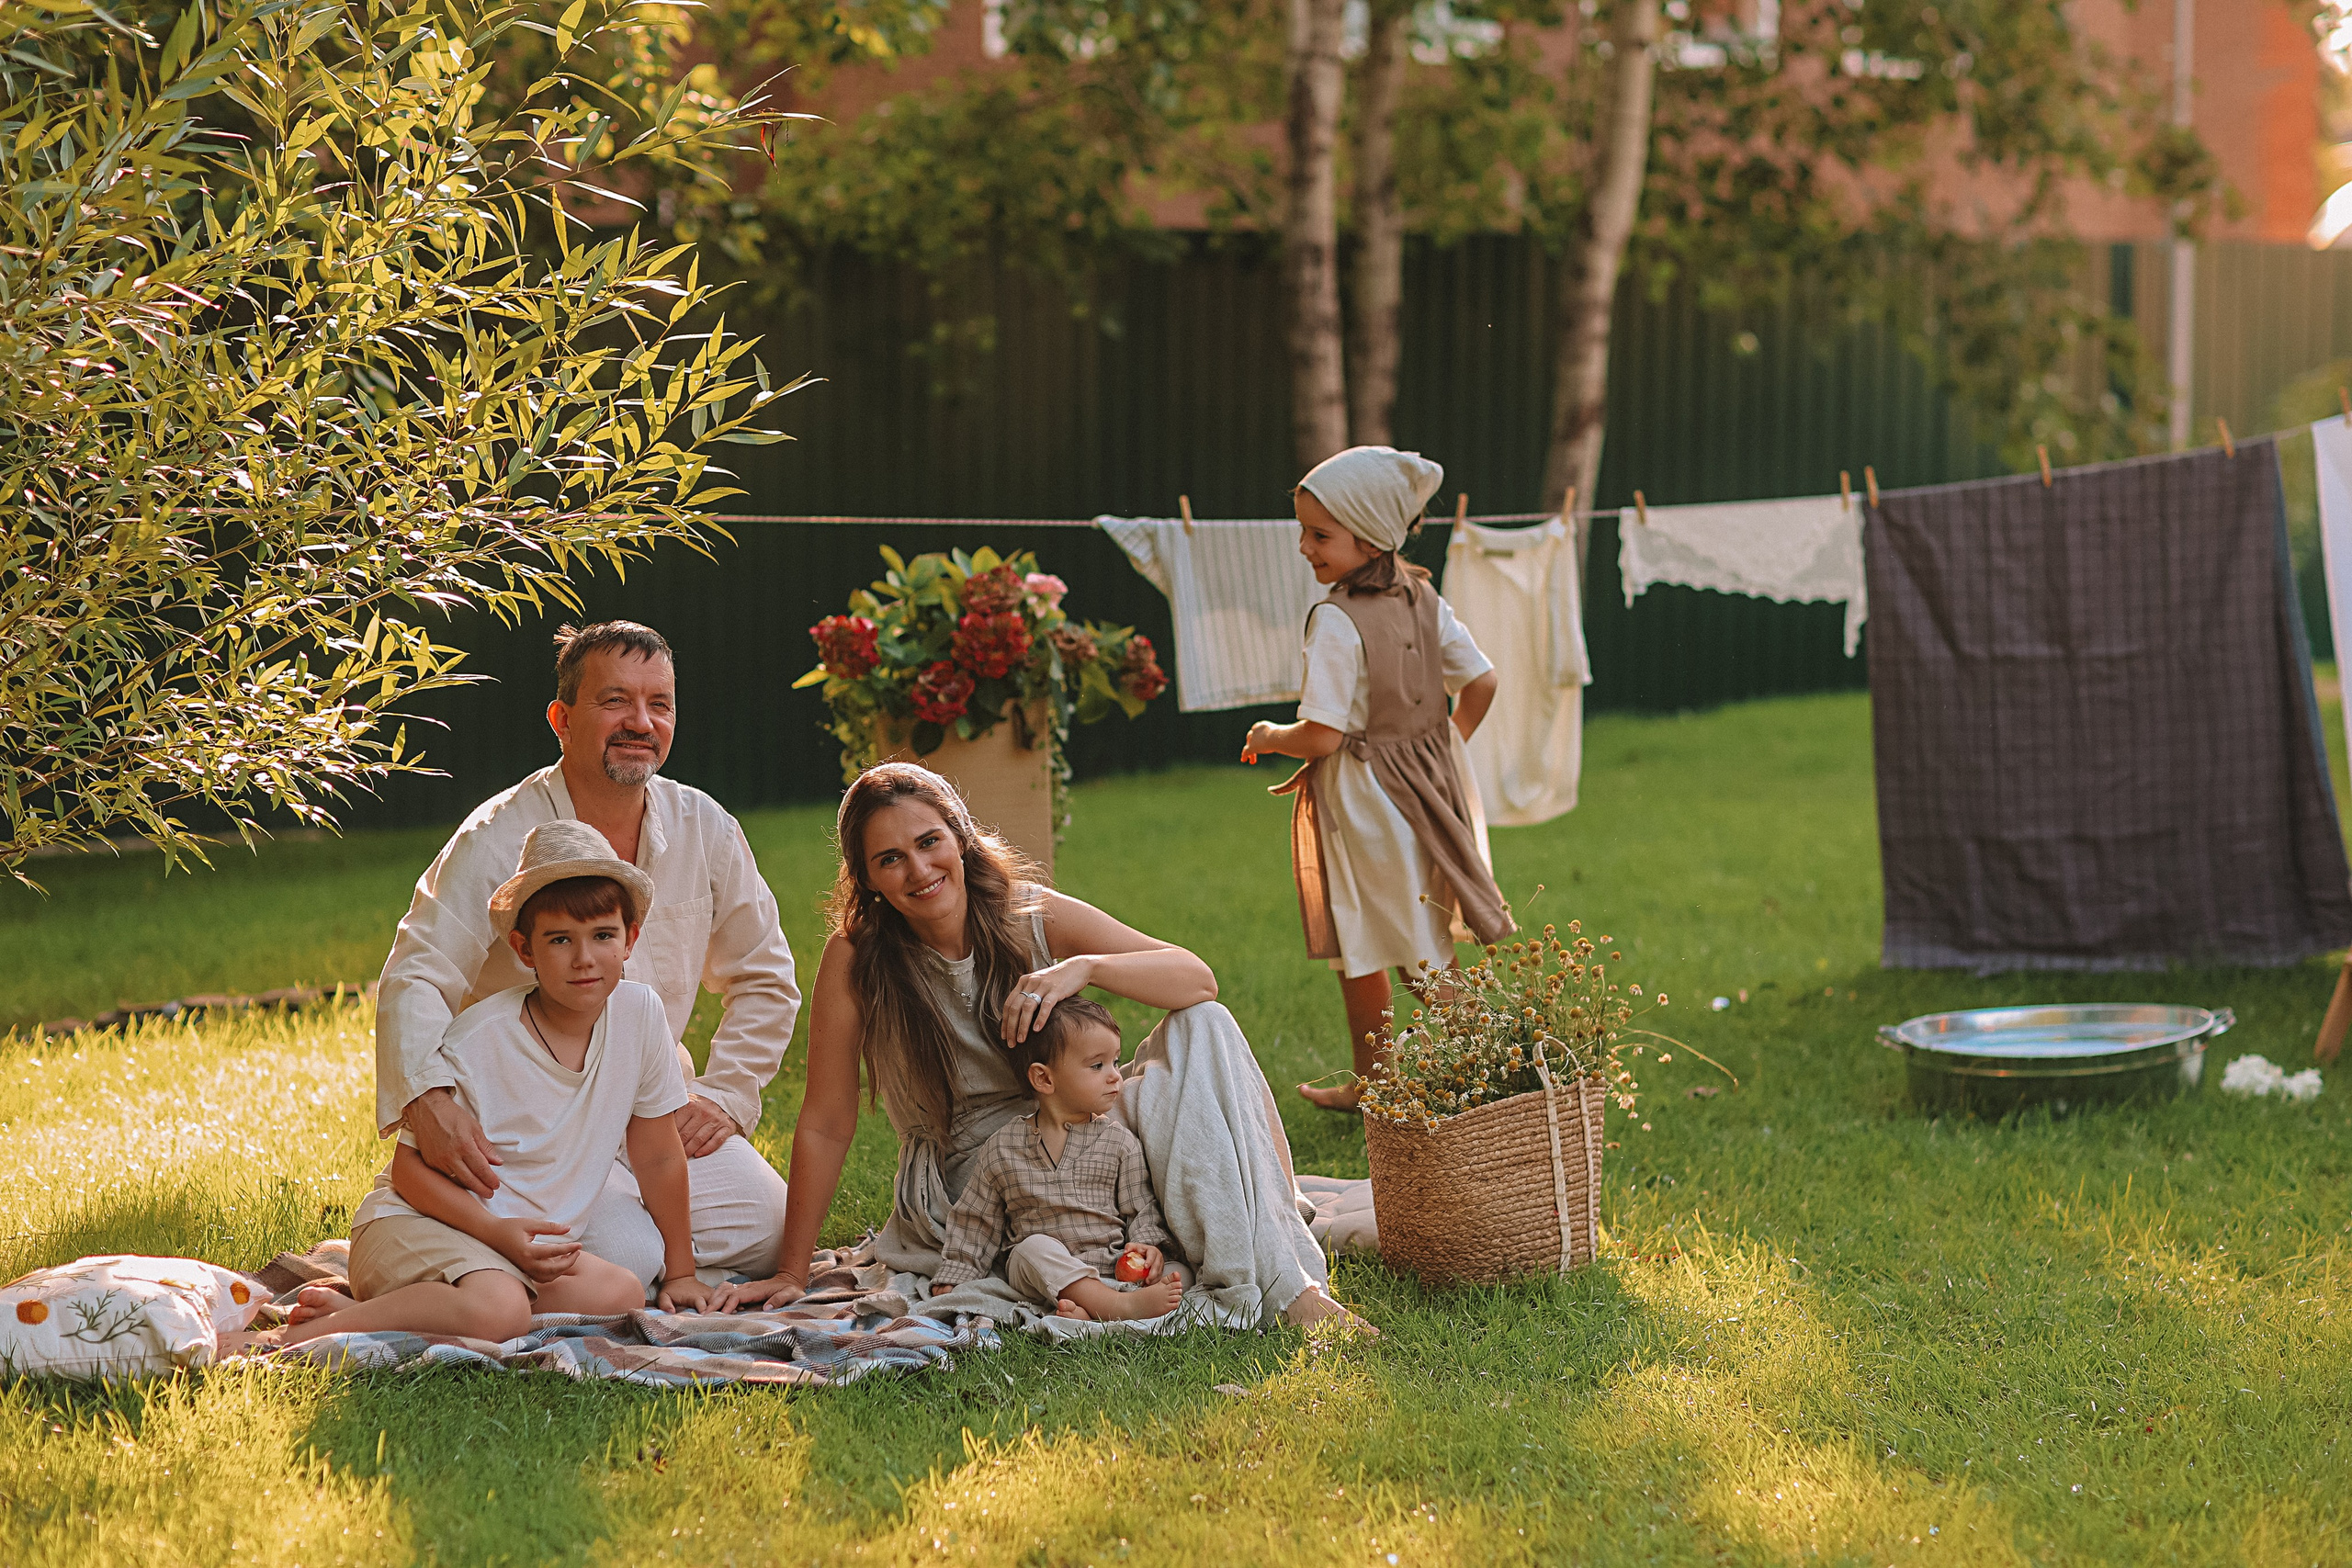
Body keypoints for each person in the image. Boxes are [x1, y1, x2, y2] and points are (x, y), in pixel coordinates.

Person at [707, 762, 1365, 1332]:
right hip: (983, 1170)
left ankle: (1284, 1283)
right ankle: (1262, 1274)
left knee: (1206, 1024)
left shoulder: (1027, 914)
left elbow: (1198, 978)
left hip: (1085, 1121)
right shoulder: (856, 958)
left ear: (960, 840)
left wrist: (1086, 968)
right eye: (890, 859)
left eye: (929, 841)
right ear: (869, 879)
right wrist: (793, 1270)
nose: (918, 869)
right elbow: (825, 1121)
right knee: (1191, 1126)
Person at [375, 621, 797, 1295]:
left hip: (656, 1120)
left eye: (659, 703)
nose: (641, 721)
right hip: (533, 1133)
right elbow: (418, 972)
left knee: (771, 1223)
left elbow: (766, 977)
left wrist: (726, 1095)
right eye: (615, 701)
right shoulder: (498, 835)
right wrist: (429, 1096)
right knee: (628, 1262)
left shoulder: (705, 825)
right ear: (562, 719)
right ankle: (536, 1249)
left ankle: (614, 1241)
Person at [286, 823, 714, 1343]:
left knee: (621, 1293)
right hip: (419, 1226)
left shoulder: (641, 1015)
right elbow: (409, 1172)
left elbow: (658, 1155)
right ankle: (321, 1329)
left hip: (510, 1249)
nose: (584, 958)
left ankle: (407, 1307)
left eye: (603, 935)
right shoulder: (481, 1040)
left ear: (631, 939)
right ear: (524, 949)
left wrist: (683, 1270)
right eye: (560, 940)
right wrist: (496, 1234)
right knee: (501, 1313)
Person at [1242, 446, 1511, 1111]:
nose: (1305, 547)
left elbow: (1324, 735)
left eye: (1321, 534)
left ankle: (1499, 1071)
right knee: (1362, 944)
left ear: (1369, 536)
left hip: (1365, 804)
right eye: (1303, 531)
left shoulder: (1336, 619)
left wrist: (1269, 736)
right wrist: (1443, 746)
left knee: (1411, 950)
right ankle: (1377, 1082)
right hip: (1425, 790)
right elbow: (1482, 680)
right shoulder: (1421, 594)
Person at [928, 996, 1187, 1322]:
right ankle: (1119, 1308)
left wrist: (1147, 1246)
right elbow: (975, 1219)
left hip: (1109, 1265)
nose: (1115, 1076)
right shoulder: (1003, 1148)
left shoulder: (1119, 1142)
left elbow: (1141, 1208)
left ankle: (1088, 1310)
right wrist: (958, 1272)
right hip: (1040, 1271)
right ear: (1044, 1079)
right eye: (1097, 1065)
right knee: (1031, 1249)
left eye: (1115, 1061)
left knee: (1181, 1273)